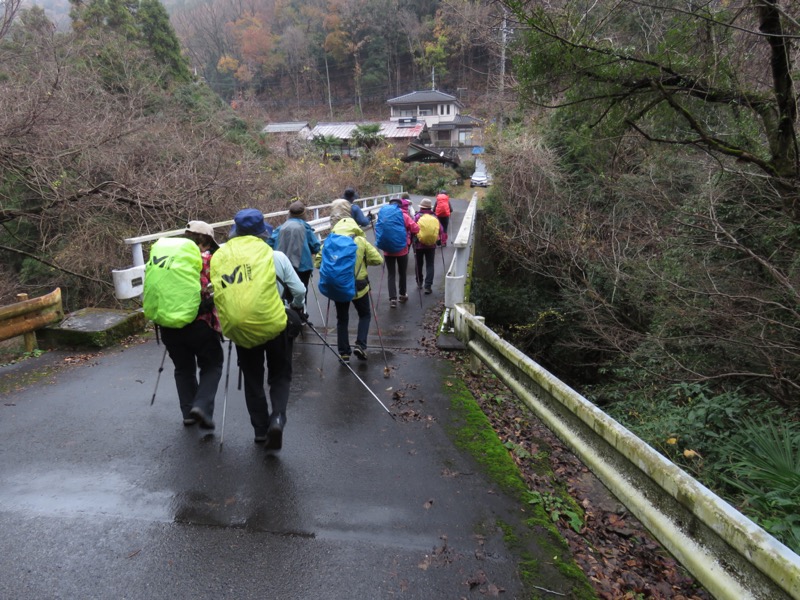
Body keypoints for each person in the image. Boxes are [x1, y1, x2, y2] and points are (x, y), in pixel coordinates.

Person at [213, 208, 306, 450]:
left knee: (253, 379)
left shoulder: (222, 256)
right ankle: (277, 418)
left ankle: (260, 431)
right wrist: (296, 308)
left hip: (241, 328)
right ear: (262, 232)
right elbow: (300, 291)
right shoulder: (275, 256)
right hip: (275, 324)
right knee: (279, 375)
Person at [162, 221, 223, 429]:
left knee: (183, 368)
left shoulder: (166, 258)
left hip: (168, 323)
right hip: (200, 322)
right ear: (205, 241)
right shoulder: (206, 259)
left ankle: (189, 413)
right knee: (211, 365)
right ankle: (202, 407)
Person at [315, 216, 383, 362]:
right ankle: (361, 345)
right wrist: (364, 260)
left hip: (339, 287)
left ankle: (344, 353)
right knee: (364, 315)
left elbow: (317, 263)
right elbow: (378, 260)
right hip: (359, 287)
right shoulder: (360, 241)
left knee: (342, 319)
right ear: (354, 227)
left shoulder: (329, 241)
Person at [269, 201, 321, 306]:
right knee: (301, 293)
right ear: (303, 214)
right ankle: (301, 315)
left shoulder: (281, 228)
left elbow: (269, 243)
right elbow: (316, 247)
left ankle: (288, 317)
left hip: (282, 267)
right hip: (303, 267)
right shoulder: (305, 228)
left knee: (284, 294)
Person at [382, 197, 419, 308]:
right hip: (402, 249)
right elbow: (415, 229)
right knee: (402, 273)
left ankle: (392, 299)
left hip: (388, 250)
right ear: (400, 206)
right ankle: (402, 295)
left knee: (391, 274)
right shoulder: (404, 216)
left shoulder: (384, 215)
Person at [413, 198, 444, 295]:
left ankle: (419, 282)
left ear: (421, 207)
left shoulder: (417, 216)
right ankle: (428, 286)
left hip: (418, 245)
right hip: (431, 245)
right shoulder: (435, 217)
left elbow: (413, 229)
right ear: (430, 207)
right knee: (430, 265)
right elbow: (441, 230)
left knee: (418, 264)